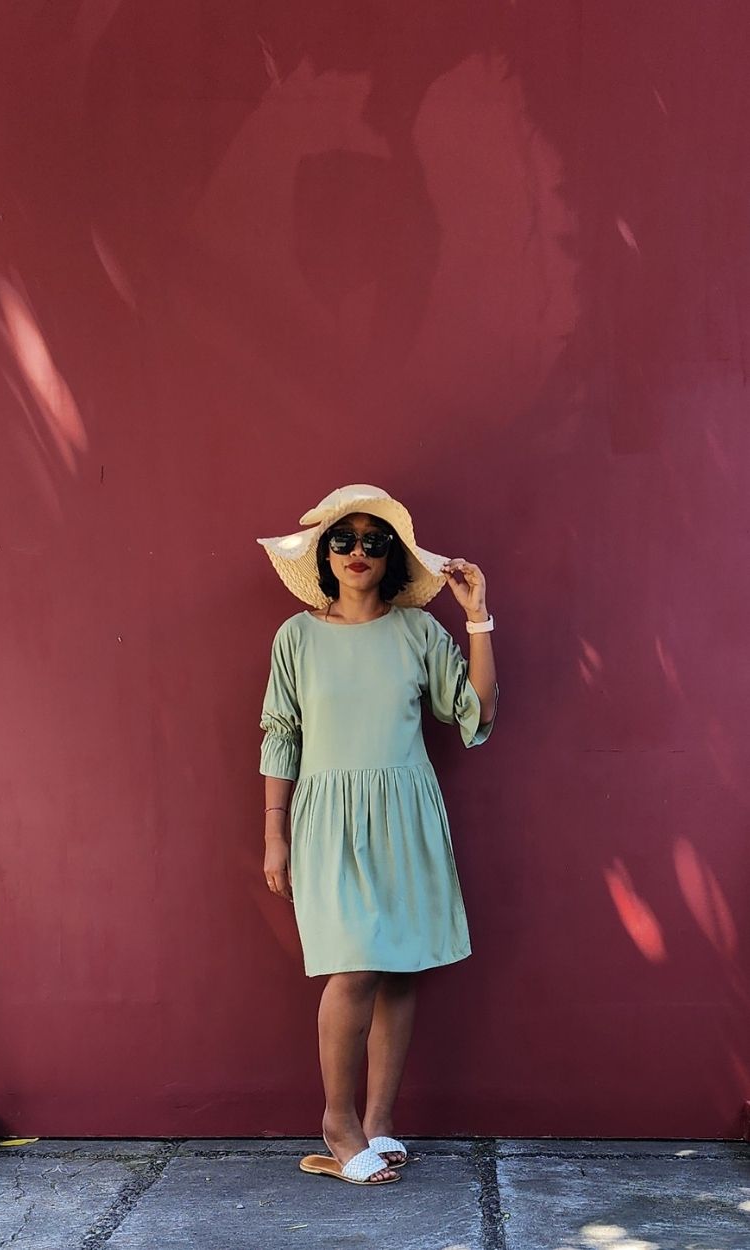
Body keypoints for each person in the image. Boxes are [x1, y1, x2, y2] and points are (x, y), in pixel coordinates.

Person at [256, 484, 498, 1186]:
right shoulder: (296, 637)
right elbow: (281, 735)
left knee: (398, 968)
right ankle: (338, 1123)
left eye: (374, 540)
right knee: (355, 965)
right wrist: (274, 834)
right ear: (323, 553)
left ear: (392, 556)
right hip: (327, 817)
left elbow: (476, 712)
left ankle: (380, 1120)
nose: (357, 551)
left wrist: (476, 618)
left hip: (405, 811)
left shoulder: (417, 630)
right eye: (343, 539)